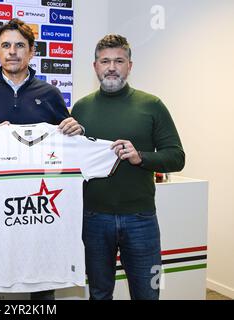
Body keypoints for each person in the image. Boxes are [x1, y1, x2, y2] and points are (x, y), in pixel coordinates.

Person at [0, 18, 83, 300]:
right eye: (6, 45)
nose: (12, 51)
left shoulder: (49, 94)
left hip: (40, 206)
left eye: (19, 45)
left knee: (42, 282)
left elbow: (67, 144)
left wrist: (77, 130)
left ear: (31, 52)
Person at [71, 34, 185, 300]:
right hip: (93, 218)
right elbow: (70, 163)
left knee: (147, 293)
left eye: (119, 61)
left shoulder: (152, 105)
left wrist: (141, 157)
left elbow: (176, 157)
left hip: (140, 218)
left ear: (130, 66)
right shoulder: (81, 108)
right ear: (95, 66)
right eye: (105, 61)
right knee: (99, 294)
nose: (112, 67)